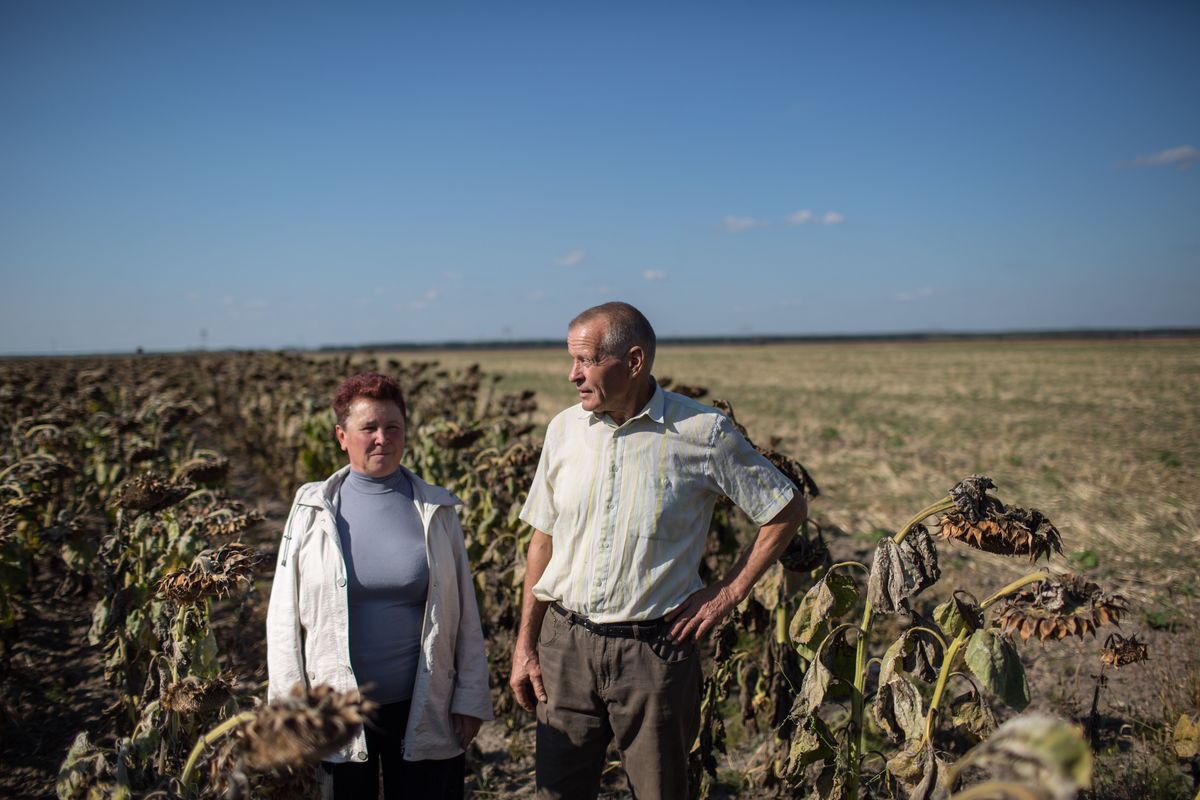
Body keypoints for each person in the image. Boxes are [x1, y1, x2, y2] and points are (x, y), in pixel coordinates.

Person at [508, 302, 808, 800]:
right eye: (572, 359)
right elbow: (543, 541)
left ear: (633, 361)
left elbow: (785, 509)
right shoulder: (563, 430)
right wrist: (525, 646)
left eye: (585, 361)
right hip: (565, 650)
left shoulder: (702, 433)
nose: (572, 375)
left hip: (653, 653)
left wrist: (727, 593)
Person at [267, 372, 492, 800]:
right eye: (368, 428)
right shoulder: (312, 510)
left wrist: (469, 698)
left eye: (393, 428)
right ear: (341, 435)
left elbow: (463, 611)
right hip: (336, 709)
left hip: (424, 704)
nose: (382, 439)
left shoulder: (436, 509)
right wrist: (288, 710)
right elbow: (282, 618)